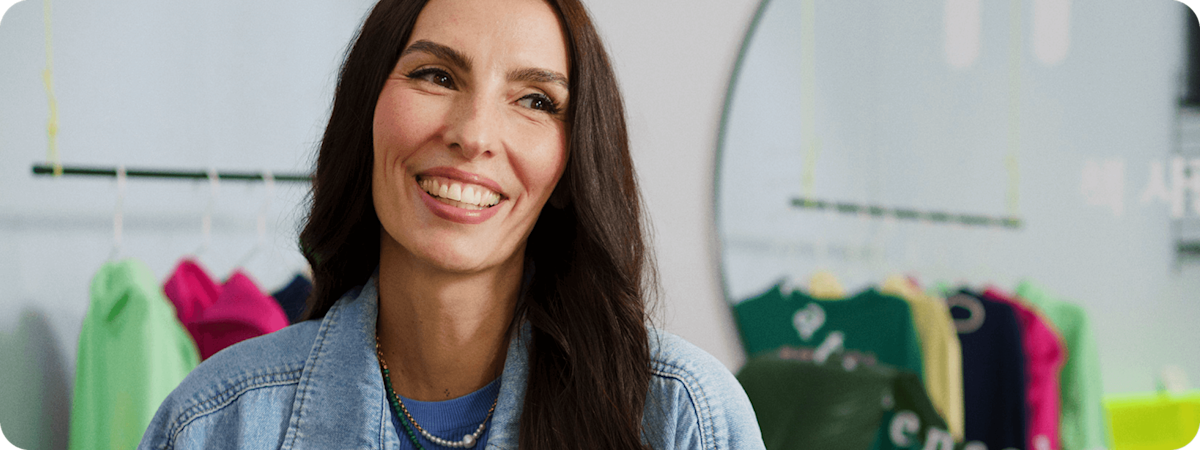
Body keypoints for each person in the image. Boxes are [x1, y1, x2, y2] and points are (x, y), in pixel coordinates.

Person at [138, 0, 765, 448]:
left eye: (535, 100)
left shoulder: (683, 418)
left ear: (571, 170)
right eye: (436, 75)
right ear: (367, 114)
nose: (473, 135)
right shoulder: (216, 423)